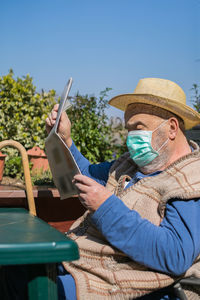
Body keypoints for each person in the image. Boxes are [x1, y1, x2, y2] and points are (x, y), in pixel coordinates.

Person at [46, 78, 200, 300]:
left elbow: (175, 256)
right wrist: (64, 140)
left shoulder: (190, 182)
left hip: (122, 282)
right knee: (17, 271)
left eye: (139, 128)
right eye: (128, 129)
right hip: (84, 263)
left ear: (172, 128)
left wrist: (106, 207)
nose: (130, 139)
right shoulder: (129, 165)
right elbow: (84, 176)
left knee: (37, 287)